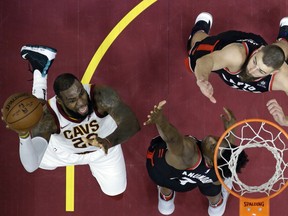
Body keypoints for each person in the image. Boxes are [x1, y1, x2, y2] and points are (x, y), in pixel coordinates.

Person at [2, 45, 140, 197]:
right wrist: (23, 134)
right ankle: (39, 76)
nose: (81, 102)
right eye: (72, 100)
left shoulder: (101, 96)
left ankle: (39, 68)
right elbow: (30, 166)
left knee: (116, 191)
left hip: (104, 150)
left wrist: (108, 141)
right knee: (39, 158)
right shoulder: (48, 118)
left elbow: (131, 122)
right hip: (62, 153)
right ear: (60, 102)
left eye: (81, 93)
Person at [144, 101, 249, 216]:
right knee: (217, 179)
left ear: (210, 161)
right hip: (191, 179)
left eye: (213, 146)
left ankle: (166, 198)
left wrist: (160, 121)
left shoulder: (190, 152)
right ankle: (216, 206)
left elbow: (174, 140)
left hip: (159, 172)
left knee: (167, 174)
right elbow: (223, 159)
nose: (211, 139)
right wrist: (230, 133)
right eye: (219, 140)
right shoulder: (218, 169)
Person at [186, 12, 288, 103]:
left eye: (261, 71)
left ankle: (284, 38)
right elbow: (205, 60)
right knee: (194, 55)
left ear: (273, 72)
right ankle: (199, 30)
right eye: (255, 62)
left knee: (282, 50)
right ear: (260, 49)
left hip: (271, 58)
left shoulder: (283, 79)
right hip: (229, 43)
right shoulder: (235, 55)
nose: (251, 70)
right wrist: (202, 79)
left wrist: (285, 121)